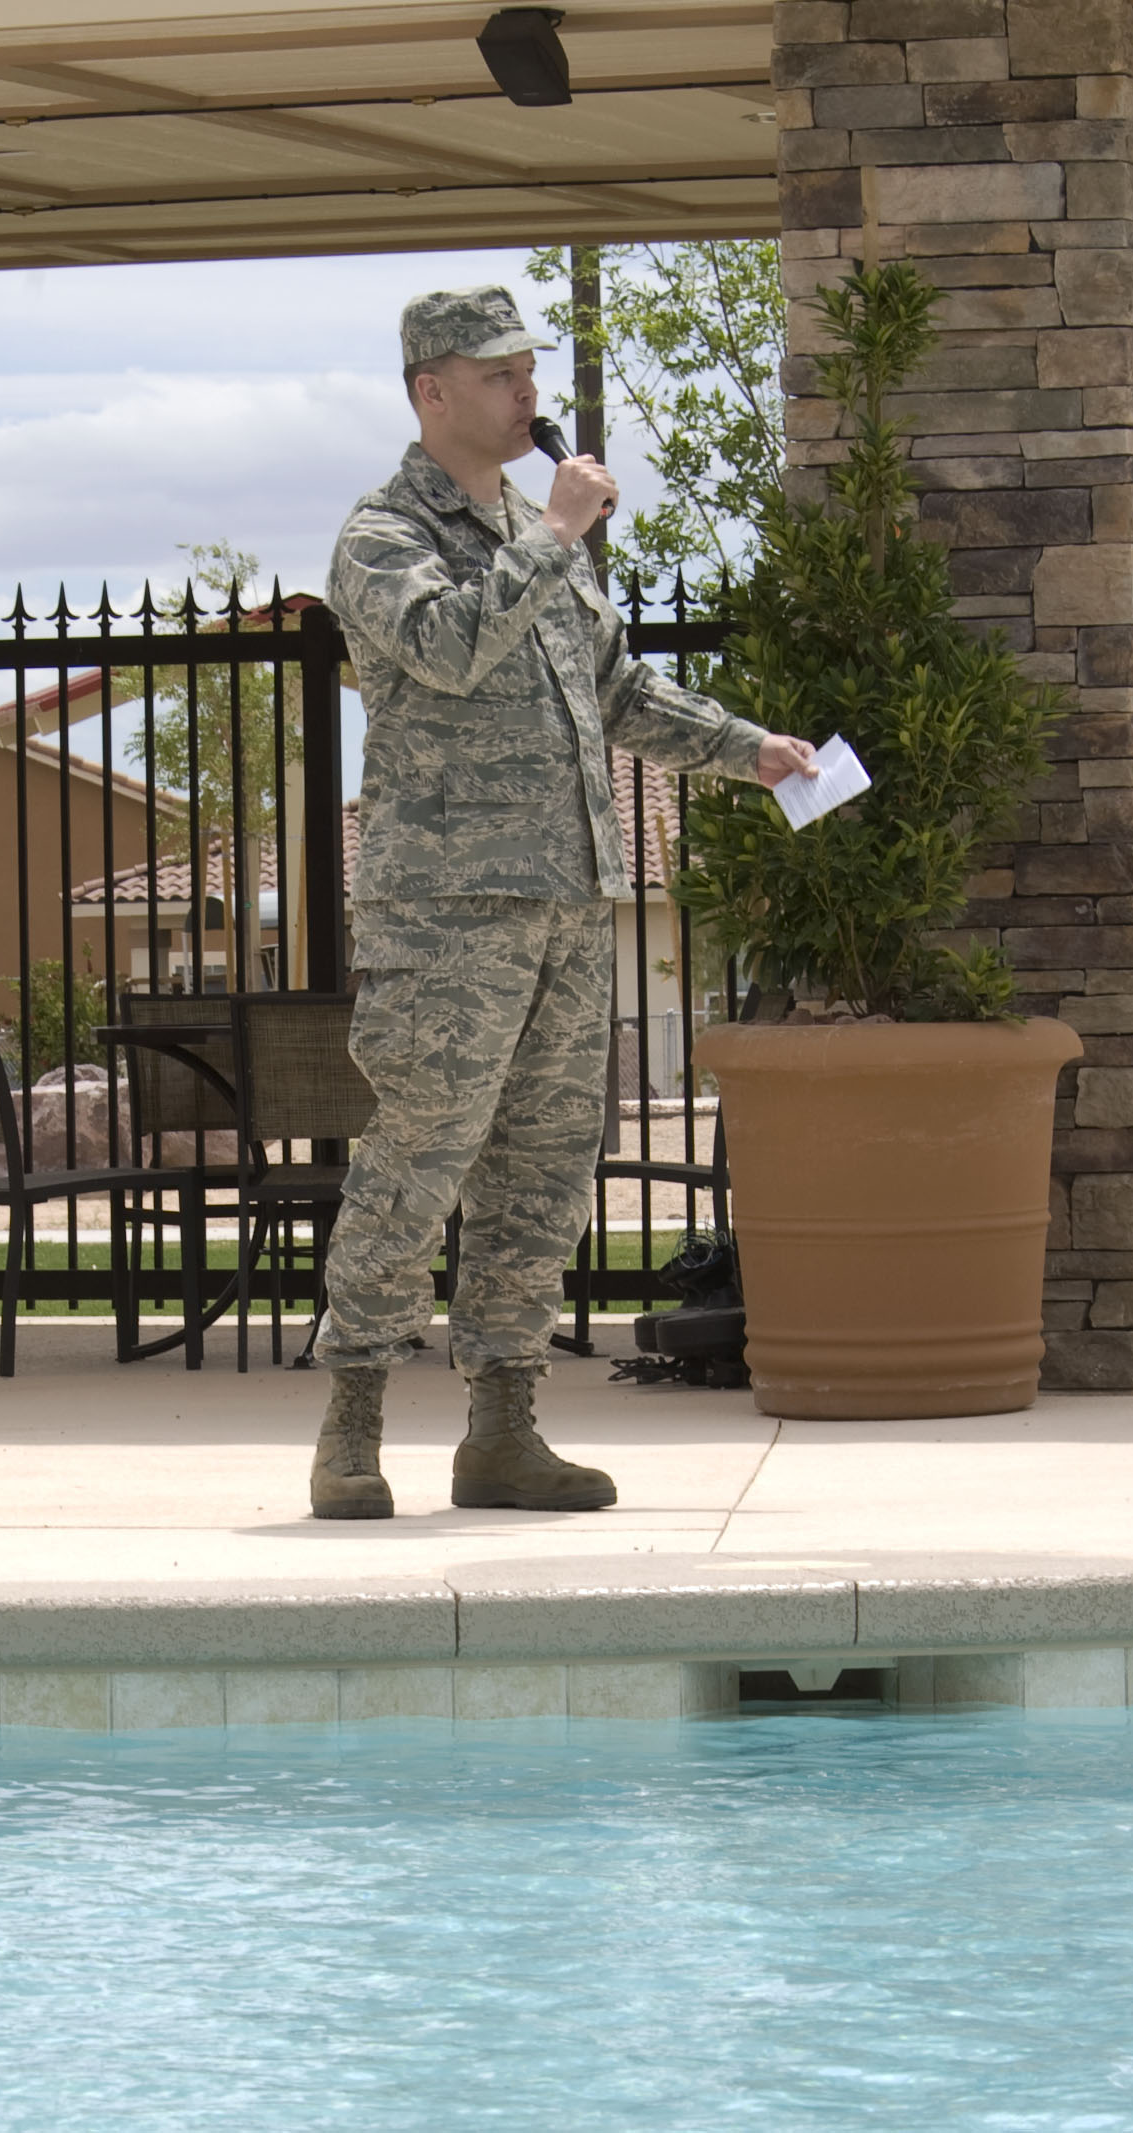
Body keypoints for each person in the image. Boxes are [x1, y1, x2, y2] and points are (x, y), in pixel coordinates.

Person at [309, 283, 816, 1520]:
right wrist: (552, 535)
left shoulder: (539, 540)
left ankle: (502, 1431)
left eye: (528, 371)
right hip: (449, 912)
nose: (526, 393)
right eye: (499, 375)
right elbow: (447, 648)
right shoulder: (384, 536)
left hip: (571, 903)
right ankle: (352, 1425)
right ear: (431, 391)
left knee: (540, 1173)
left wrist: (746, 749)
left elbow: (616, 691)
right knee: (419, 1158)